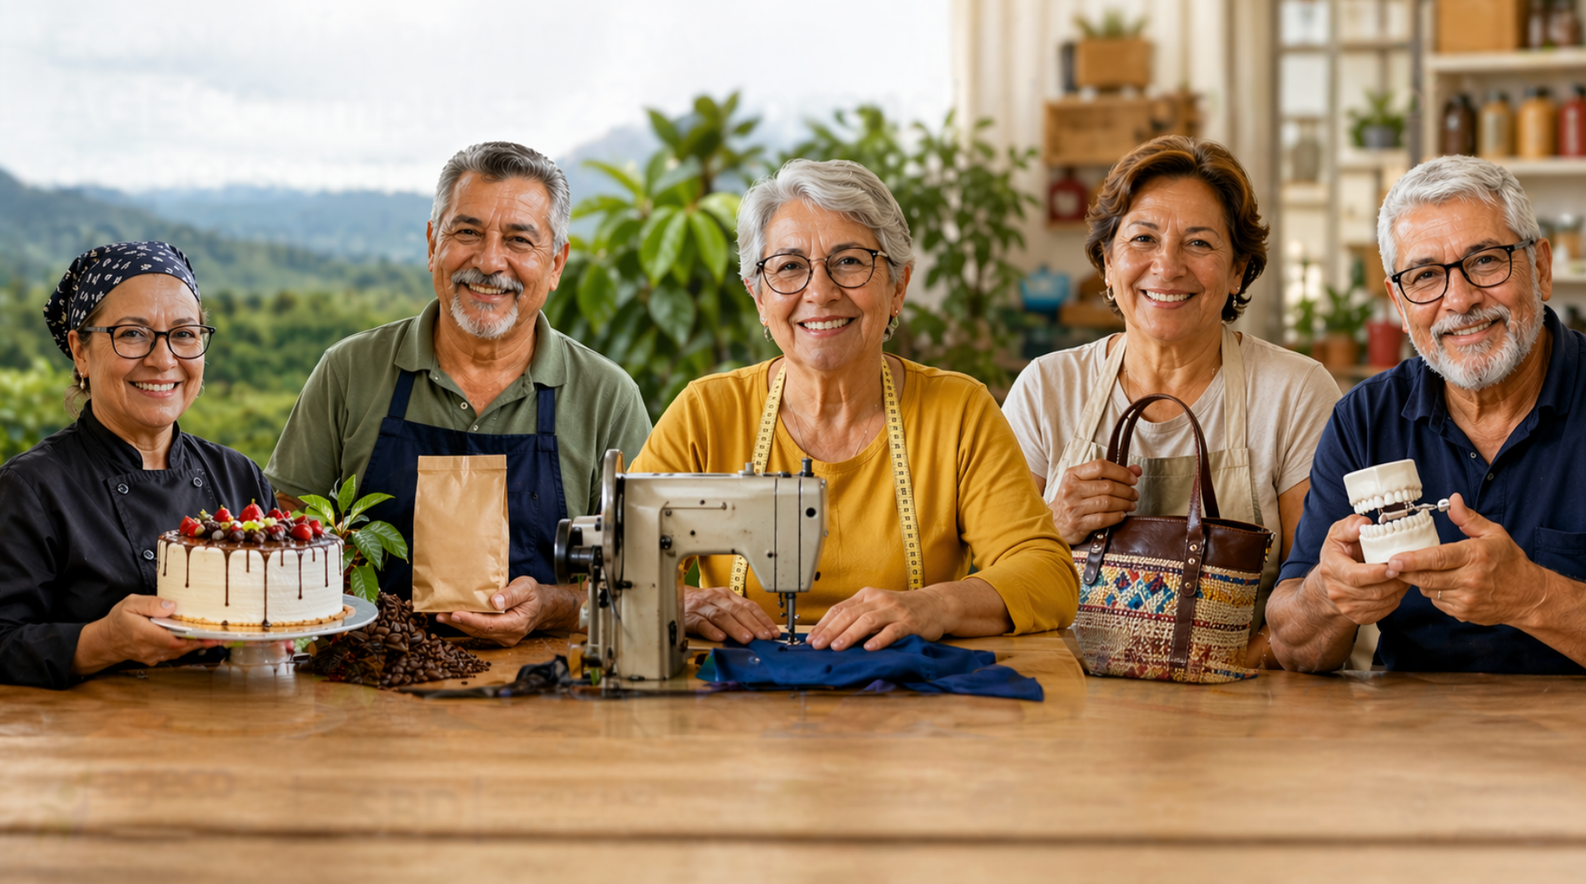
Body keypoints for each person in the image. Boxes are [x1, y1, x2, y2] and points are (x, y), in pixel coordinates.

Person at [630, 158, 1076, 651]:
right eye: (789, 267)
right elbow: (622, 564)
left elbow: (1047, 574)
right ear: (758, 297)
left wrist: (933, 605)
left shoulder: (958, 411)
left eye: (849, 261)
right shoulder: (706, 414)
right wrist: (680, 603)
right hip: (742, 713)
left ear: (898, 286)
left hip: (911, 714)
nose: (819, 292)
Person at [265, 142, 651, 647]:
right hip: (369, 682)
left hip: (547, 699)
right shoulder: (350, 370)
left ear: (556, 263)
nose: (490, 261)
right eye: (467, 232)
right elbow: (286, 518)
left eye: (519, 240)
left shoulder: (607, 396)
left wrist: (554, 606)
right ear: (432, 244)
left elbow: (646, 577)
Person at [1002, 136, 1342, 658]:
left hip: (1243, 707)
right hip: (1073, 707)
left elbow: (1323, 606)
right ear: (1107, 264)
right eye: (1142, 239)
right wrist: (1052, 525)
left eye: (1200, 243)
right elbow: (992, 582)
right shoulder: (1047, 388)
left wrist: (1227, 669)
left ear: (1237, 272)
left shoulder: (1294, 392)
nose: (1168, 266)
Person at [1268, 155, 1586, 675]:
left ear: (1541, 268)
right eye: (1425, 276)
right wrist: (1329, 596)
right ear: (1399, 305)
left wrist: (1533, 597)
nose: (1460, 300)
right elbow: (1293, 648)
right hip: (1410, 742)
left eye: (1487, 261)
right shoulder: (1364, 420)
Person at [0, 242, 268, 688]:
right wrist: (101, 643)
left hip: (227, 730)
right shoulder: (31, 487)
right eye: (132, 334)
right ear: (80, 352)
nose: (163, 360)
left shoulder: (239, 476)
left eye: (184, 334)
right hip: (91, 745)